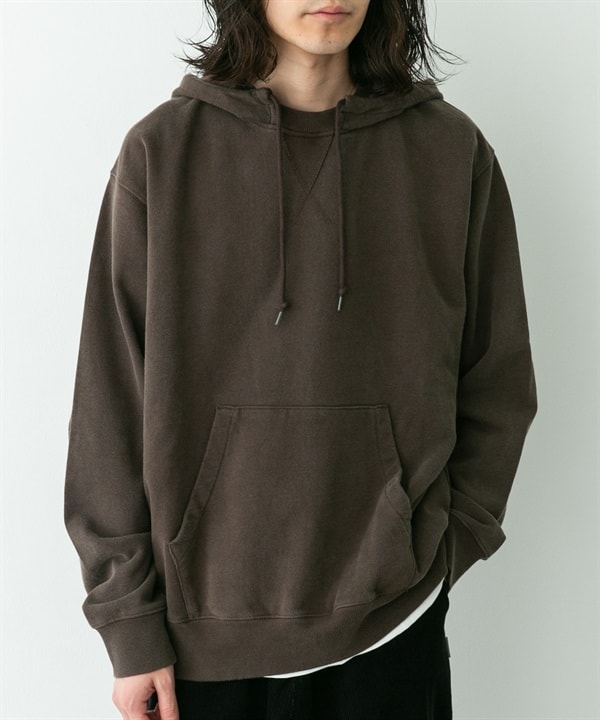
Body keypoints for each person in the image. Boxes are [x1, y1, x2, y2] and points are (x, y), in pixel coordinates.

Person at [63, 0, 537, 718]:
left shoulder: (450, 151)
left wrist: (444, 550)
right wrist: (129, 622)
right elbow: (109, 404)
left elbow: (498, 380)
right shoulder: (162, 152)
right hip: (203, 642)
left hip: (391, 625)